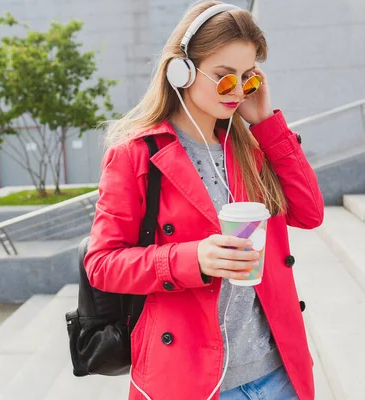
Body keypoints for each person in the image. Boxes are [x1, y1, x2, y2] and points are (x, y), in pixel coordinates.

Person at [84, 1, 324, 399]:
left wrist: (265, 123)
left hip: (276, 372)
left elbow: (310, 213)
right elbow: (102, 264)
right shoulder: (137, 154)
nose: (237, 91)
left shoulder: (249, 147)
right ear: (182, 69)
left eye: (247, 78)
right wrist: (192, 259)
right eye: (224, 77)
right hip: (192, 380)